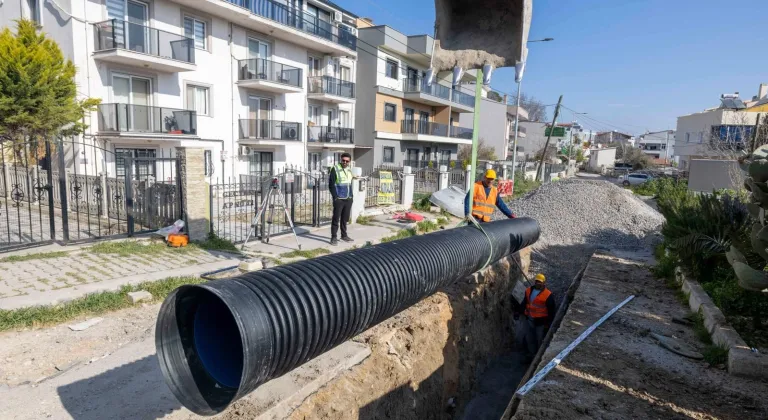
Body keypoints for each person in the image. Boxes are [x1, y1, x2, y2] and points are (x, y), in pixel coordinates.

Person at [514, 273, 556, 360]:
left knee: (539, 338)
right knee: (529, 337)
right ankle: (531, 355)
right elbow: (525, 302)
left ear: (544, 283)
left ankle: (539, 357)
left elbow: (551, 310)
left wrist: (549, 323)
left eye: (540, 282)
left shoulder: (548, 295)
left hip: (541, 322)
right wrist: (518, 312)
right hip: (529, 318)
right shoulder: (528, 290)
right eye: (537, 281)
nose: (538, 283)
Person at [329, 153, 354, 246]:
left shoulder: (349, 170)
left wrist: (352, 197)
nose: (345, 162)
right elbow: (331, 185)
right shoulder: (335, 169)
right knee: (336, 218)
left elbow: (349, 183)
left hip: (348, 198)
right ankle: (333, 237)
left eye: (347, 161)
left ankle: (344, 235)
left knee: (345, 218)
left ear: (349, 161)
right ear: (341, 160)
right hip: (339, 198)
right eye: (343, 160)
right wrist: (335, 197)